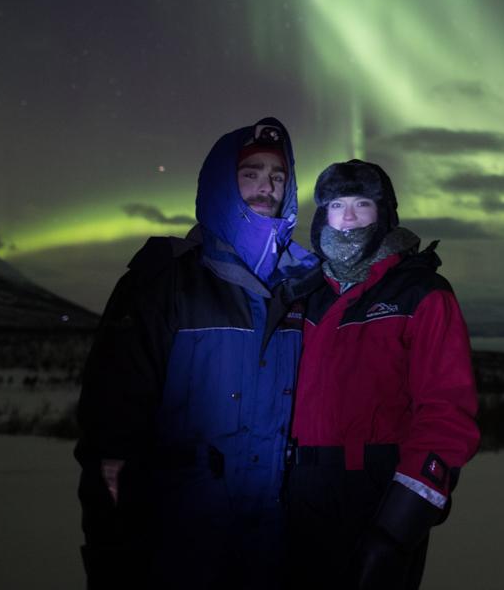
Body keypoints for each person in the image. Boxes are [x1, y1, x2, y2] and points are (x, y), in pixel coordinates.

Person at [75, 117, 320, 590]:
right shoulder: (164, 282)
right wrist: (112, 547)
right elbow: (112, 423)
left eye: (277, 176)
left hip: (271, 543)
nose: (265, 186)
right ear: (220, 183)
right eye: (250, 174)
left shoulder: (303, 287)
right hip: (177, 542)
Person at [285, 159, 479, 590]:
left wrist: (394, 532)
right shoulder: (302, 293)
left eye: (362, 204)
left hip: (374, 496)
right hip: (293, 496)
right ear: (323, 214)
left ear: (385, 212)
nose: (348, 216)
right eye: (336, 204)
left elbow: (447, 416)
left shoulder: (420, 293)